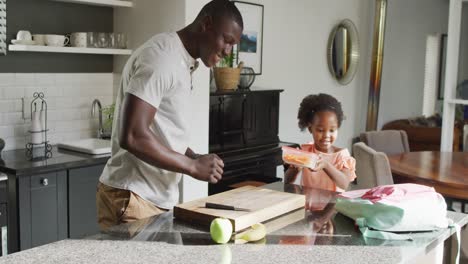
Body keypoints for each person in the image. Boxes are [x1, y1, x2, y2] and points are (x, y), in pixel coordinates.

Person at [96, 0, 243, 230]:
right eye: (227, 40)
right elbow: (133, 135)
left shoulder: (184, 62)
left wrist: (193, 157)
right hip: (134, 197)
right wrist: (192, 167)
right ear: (206, 24)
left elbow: (161, 130)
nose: (228, 51)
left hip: (153, 199)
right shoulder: (162, 58)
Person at [284, 93, 356, 192]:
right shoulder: (306, 151)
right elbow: (287, 180)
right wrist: (294, 169)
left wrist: (326, 165)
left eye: (332, 130)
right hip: (308, 203)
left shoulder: (341, 156)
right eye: (320, 130)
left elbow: (344, 184)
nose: (326, 135)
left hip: (332, 205)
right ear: (310, 129)